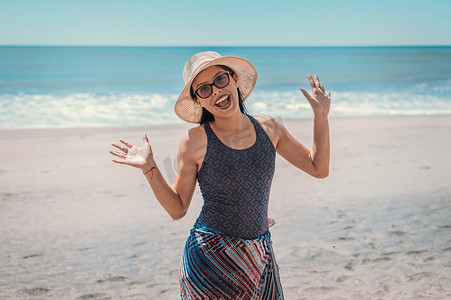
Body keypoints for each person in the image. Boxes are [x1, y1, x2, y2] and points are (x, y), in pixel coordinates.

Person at [109, 51, 331, 299]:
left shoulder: (270, 128)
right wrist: (150, 168)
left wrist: (320, 116)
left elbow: (318, 168)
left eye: (220, 80)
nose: (215, 91)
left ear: (234, 79)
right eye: (204, 89)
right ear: (198, 101)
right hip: (210, 261)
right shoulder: (194, 141)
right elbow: (178, 208)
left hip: (260, 257)